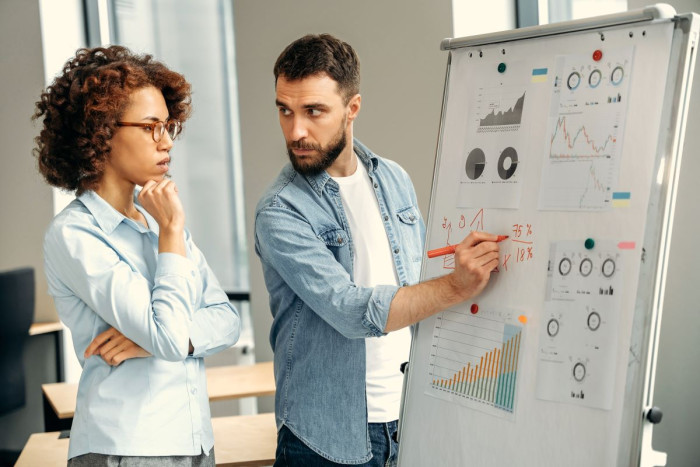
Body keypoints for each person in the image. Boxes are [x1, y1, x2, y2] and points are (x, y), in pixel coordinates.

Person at [254, 33, 501, 466]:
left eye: (314, 111)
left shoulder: (392, 179)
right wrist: (457, 286)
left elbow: (418, 281)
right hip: (325, 439)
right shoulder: (280, 211)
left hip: (409, 419)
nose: (296, 130)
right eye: (284, 111)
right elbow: (351, 311)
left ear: (352, 109)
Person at [34, 46, 240, 466]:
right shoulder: (76, 234)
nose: (166, 141)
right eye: (150, 127)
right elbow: (166, 335)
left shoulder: (158, 220)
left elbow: (226, 320)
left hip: (194, 442)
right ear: (102, 132)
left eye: (168, 126)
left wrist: (149, 342)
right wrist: (172, 234)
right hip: (126, 449)